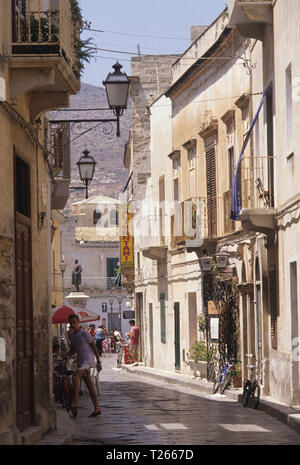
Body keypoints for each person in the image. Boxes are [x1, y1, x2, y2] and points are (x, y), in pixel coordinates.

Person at [64, 314, 102, 418]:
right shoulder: (71, 335)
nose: (72, 324)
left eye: (74, 322)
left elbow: (94, 346)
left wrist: (98, 361)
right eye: (70, 323)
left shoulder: (84, 333)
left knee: (75, 377)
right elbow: (73, 350)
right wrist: (65, 354)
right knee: (90, 386)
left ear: (78, 322)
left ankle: (74, 403)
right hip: (81, 362)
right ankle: (97, 409)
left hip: (88, 361)